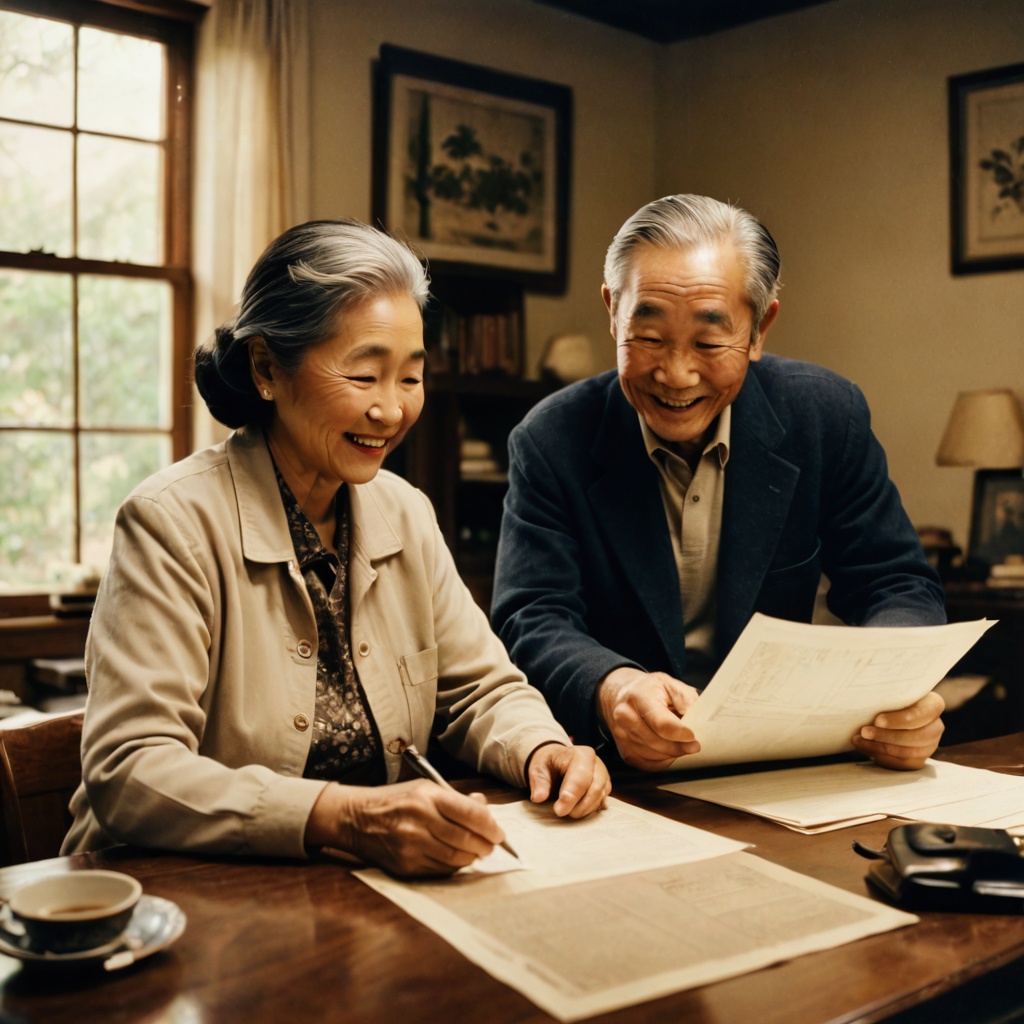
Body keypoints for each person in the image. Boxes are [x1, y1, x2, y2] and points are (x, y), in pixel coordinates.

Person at [63, 219, 610, 876]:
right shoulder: (169, 522)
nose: (392, 410)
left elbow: (480, 690)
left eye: (411, 377)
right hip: (172, 890)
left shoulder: (406, 514)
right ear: (267, 368)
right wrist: (346, 816)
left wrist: (541, 748)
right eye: (364, 376)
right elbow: (133, 770)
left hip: (347, 891)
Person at [491, 194, 947, 774]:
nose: (676, 375)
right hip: (621, 771)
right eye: (649, 337)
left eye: (709, 343)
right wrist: (613, 686)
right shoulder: (551, 439)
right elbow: (532, 616)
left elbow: (896, 582)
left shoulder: (826, 416)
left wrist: (897, 691)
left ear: (760, 329)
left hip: (784, 761)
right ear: (612, 311)